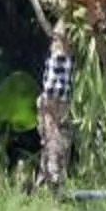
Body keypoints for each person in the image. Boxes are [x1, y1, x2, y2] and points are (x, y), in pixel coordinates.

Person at [35, 25, 74, 192]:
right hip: (55, 102)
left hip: (57, 102)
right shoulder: (61, 57)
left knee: (55, 142)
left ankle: (50, 181)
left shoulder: (63, 56)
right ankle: (51, 181)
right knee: (53, 141)